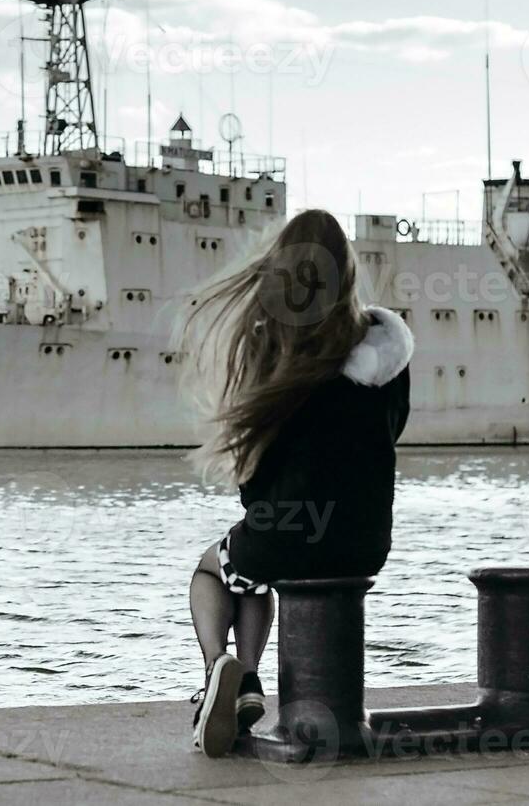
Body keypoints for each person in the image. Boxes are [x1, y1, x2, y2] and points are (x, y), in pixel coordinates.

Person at [174, 209, 414, 757]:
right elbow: (391, 432)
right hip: (366, 539)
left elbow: (255, 468)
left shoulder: (274, 345)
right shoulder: (387, 355)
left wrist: (261, 509)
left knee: (217, 570)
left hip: (284, 532)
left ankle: (228, 672)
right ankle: (240, 686)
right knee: (257, 567)